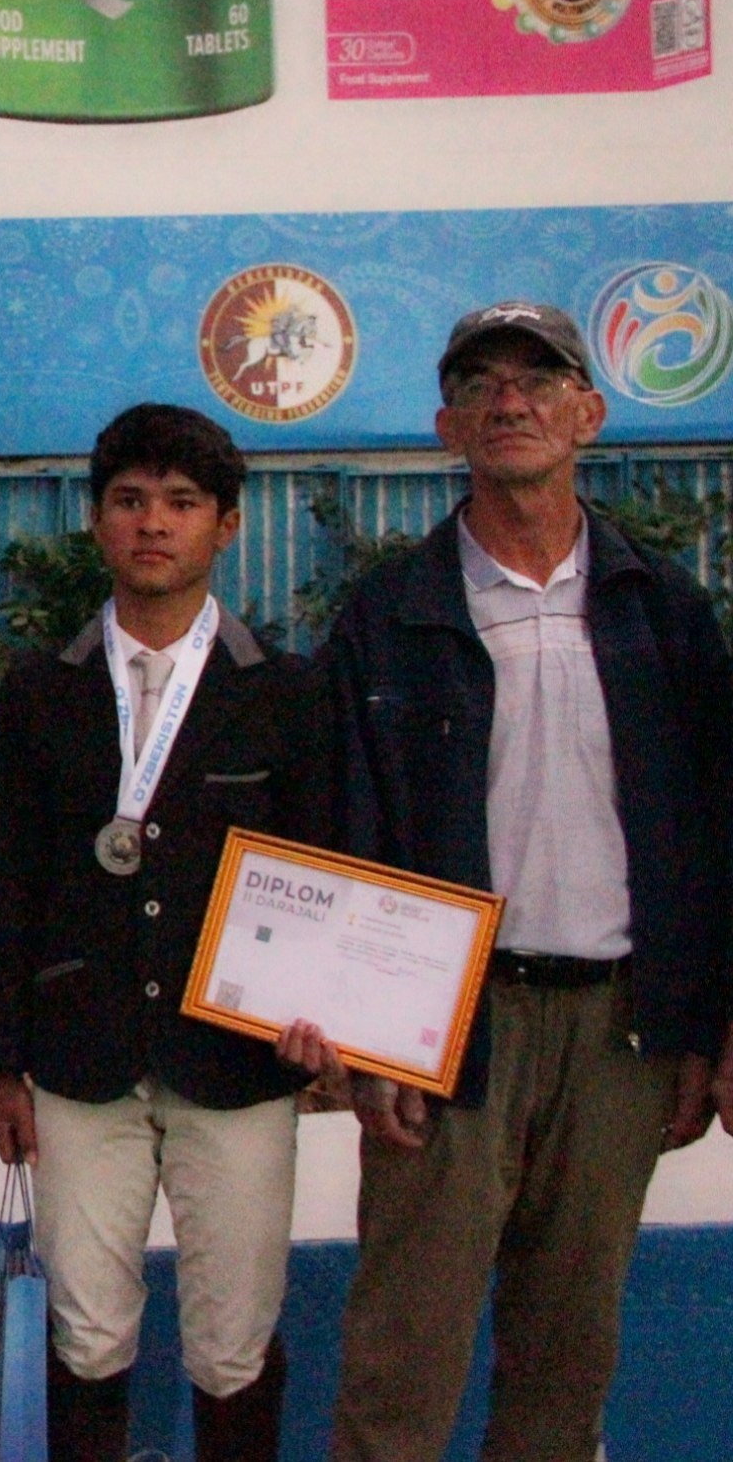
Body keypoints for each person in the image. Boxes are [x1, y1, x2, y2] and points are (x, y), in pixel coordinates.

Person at [314, 303, 732, 1462]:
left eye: (538, 380)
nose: (510, 402)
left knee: (566, 1360)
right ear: (447, 425)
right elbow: (352, 825)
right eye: (480, 384)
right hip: (447, 1026)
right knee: (401, 1364)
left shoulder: (666, 610)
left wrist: (708, 1022)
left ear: (588, 414)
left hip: (619, 1035)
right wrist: (369, 1035)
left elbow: (713, 830)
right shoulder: (388, 615)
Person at [0, 404, 334, 1462]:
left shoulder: (284, 691)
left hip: (237, 1058)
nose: (153, 523)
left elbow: (320, 875)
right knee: (87, 1328)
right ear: (96, 521)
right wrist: (2, 1061)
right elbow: (12, 880)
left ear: (227, 524)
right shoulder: (44, 688)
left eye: (181, 502)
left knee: (233, 1339)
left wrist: (327, 1020)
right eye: (130, 500)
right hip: (80, 1058)